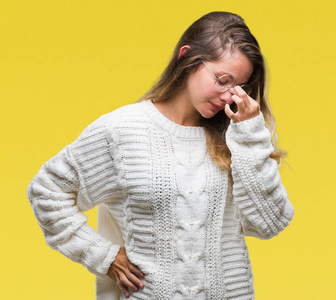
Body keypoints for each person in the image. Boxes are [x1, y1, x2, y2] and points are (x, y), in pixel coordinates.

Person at [27, 11, 294, 300]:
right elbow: (46, 191)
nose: (229, 96)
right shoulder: (122, 130)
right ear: (187, 58)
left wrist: (250, 133)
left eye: (239, 87)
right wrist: (104, 256)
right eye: (222, 80)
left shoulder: (239, 137)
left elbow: (270, 223)